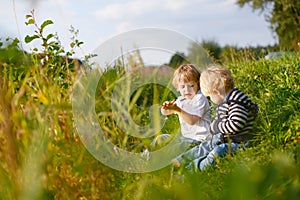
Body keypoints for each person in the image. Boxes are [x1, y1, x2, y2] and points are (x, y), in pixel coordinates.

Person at [172, 65, 258, 171]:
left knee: (217, 152)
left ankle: (191, 169)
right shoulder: (226, 101)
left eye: (210, 96)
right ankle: (179, 161)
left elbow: (236, 124)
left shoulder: (236, 101)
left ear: (217, 92)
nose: (210, 99)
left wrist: (217, 126)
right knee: (205, 146)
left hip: (240, 142)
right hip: (226, 138)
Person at [150, 64, 211, 152]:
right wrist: (166, 108)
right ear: (178, 87)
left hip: (200, 141)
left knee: (174, 149)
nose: (187, 90)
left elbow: (192, 121)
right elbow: (165, 112)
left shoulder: (200, 99)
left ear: (198, 84)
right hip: (185, 138)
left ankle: (164, 159)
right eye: (182, 86)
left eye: (191, 86)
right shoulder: (181, 100)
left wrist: (177, 110)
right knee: (161, 138)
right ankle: (146, 156)